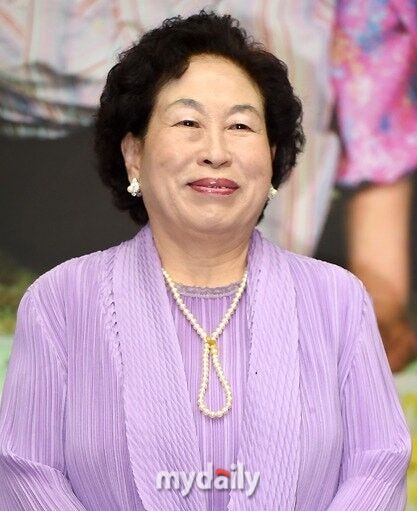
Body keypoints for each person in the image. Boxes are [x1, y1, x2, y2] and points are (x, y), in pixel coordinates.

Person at [0, 10, 411, 511]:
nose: (216, 151)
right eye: (188, 122)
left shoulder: (339, 300)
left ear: (272, 157)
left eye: (241, 125)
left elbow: (378, 462)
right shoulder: (60, 302)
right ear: (134, 154)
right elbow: (27, 471)